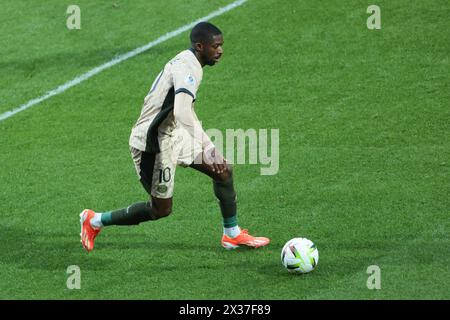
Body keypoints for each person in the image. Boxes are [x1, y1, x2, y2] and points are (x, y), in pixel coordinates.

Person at [79, 21, 270, 252]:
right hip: (152, 144)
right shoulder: (188, 68)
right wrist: (209, 147)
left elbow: (183, 109)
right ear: (200, 46)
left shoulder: (190, 62)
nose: (220, 51)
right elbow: (181, 111)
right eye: (215, 46)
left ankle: (232, 234)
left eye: (221, 45)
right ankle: (94, 220)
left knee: (223, 170)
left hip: (173, 133)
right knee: (160, 210)